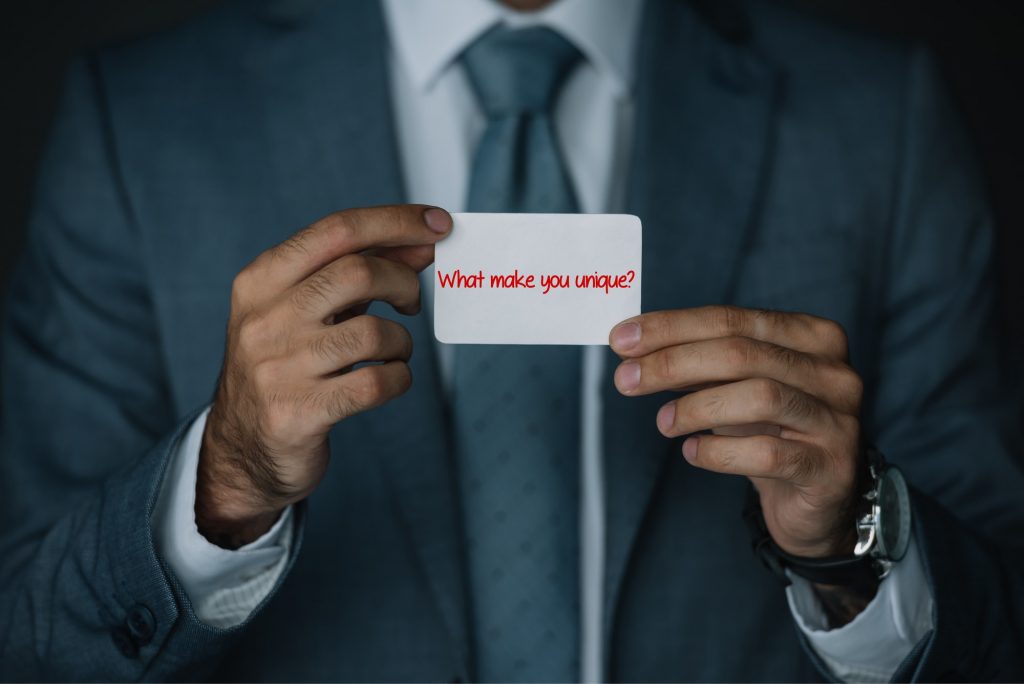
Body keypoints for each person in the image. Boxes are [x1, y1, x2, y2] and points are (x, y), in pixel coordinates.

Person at [1, 0, 1021, 680]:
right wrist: (216, 489)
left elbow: (1000, 625)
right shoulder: (141, 120)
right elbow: (27, 634)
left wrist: (850, 537)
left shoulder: (877, 117)